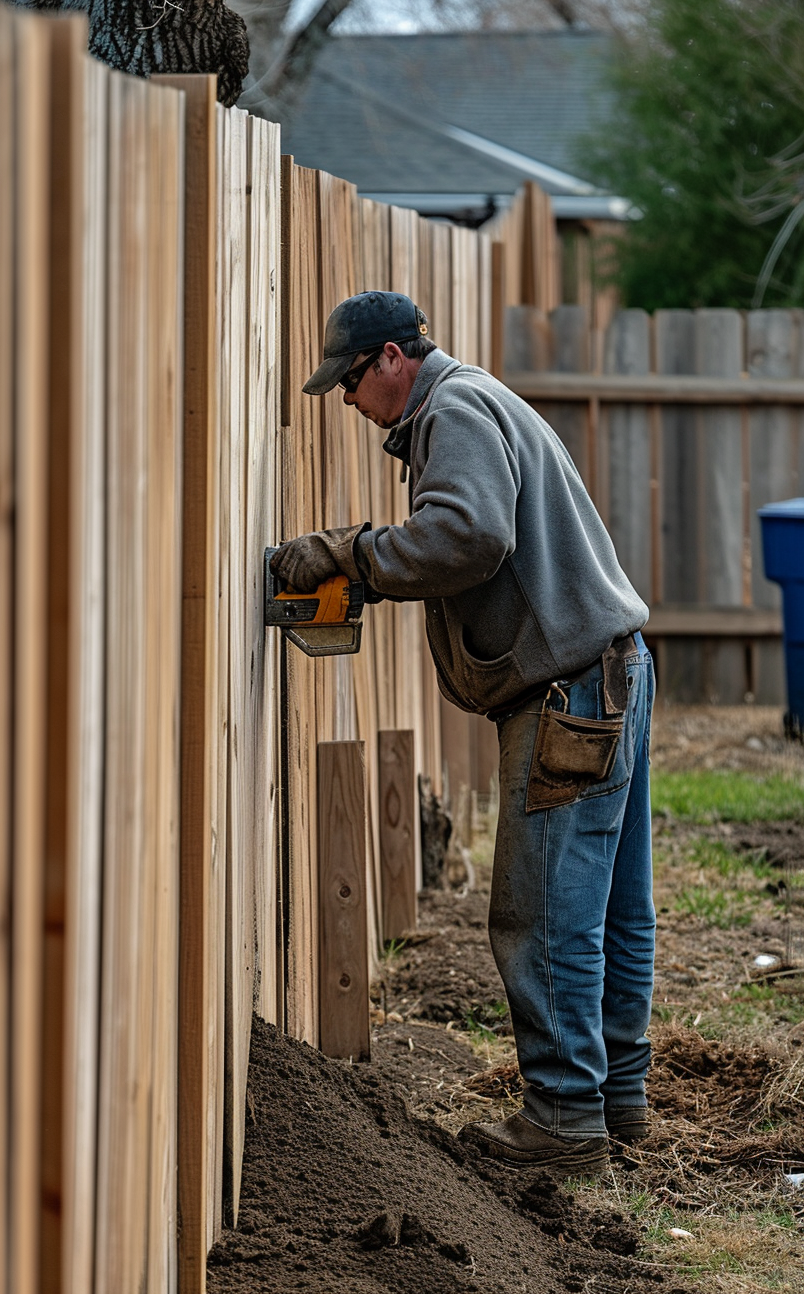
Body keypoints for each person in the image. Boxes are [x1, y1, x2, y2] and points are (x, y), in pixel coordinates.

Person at [271, 290, 655, 1177]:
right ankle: (618, 1101)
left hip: (567, 694)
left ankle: (563, 1122)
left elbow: (469, 536)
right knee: (611, 909)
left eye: (351, 382)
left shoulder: (454, 412)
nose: (346, 400)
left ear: (394, 359)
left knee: (543, 915)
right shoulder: (475, 397)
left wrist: (354, 555)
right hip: (609, 672)